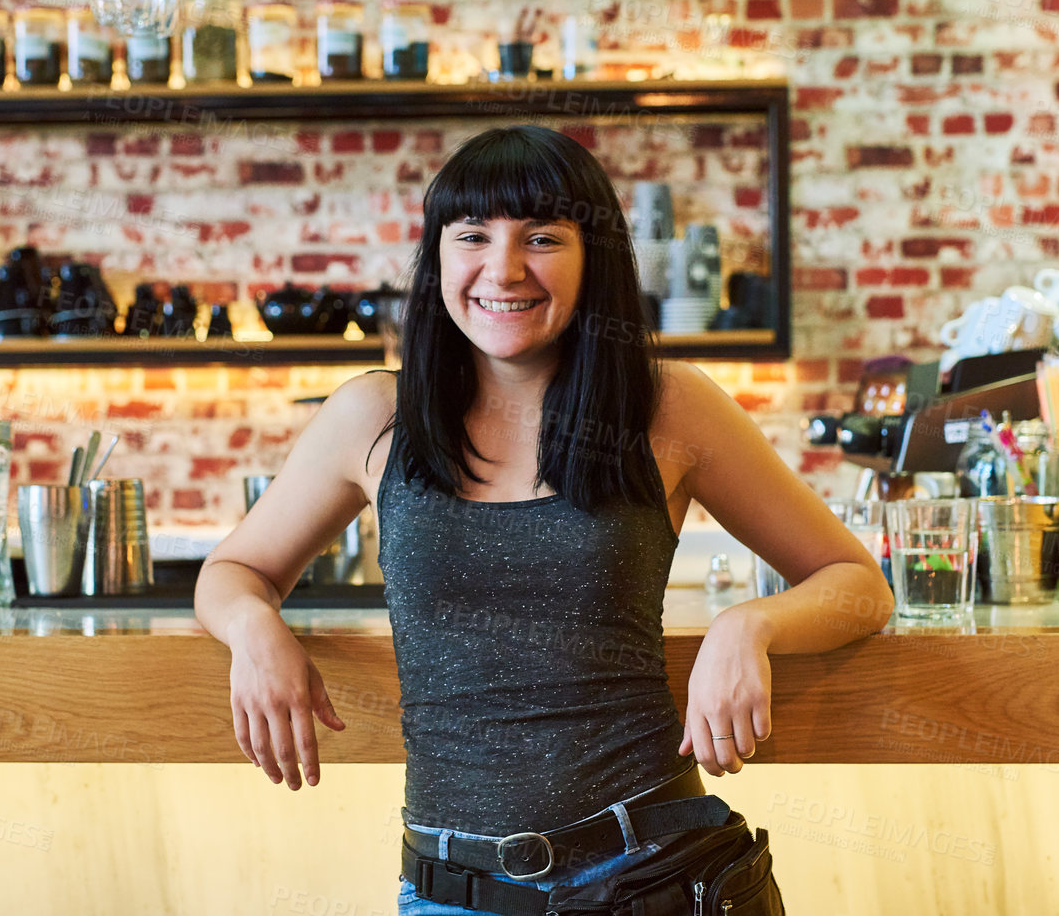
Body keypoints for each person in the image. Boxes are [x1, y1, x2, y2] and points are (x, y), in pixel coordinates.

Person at [194, 124, 894, 915]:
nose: (504, 269)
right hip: (450, 892)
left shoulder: (670, 406)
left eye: (542, 238)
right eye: (473, 237)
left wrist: (750, 626)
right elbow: (232, 572)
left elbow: (858, 585)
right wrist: (255, 632)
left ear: (593, 258)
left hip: (656, 874)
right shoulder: (373, 417)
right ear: (438, 261)